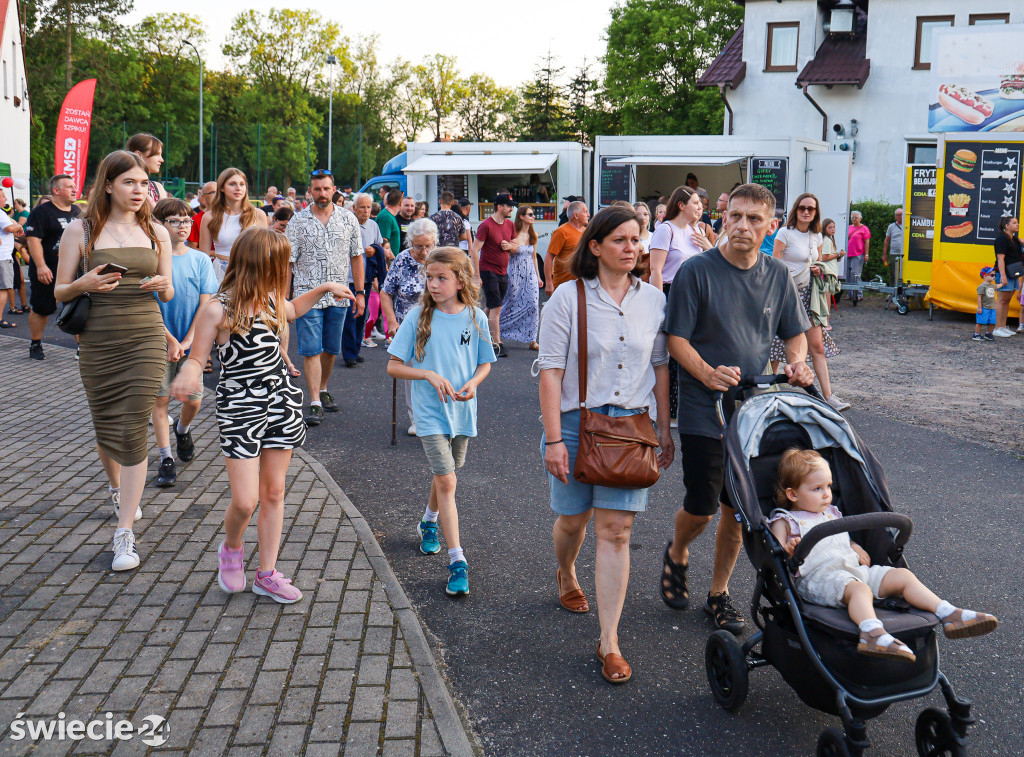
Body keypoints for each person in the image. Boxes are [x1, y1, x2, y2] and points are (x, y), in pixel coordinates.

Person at [170, 227, 354, 603]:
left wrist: (324, 289)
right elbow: (197, 359)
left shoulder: (272, 299)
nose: (286, 267)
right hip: (240, 406)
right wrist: (188, 376)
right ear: (260, 263)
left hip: (280, 401)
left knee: (274, 491)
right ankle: (232, 547)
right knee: (245, 500)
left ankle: (267, 574)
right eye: (280, 262)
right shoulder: (218, 308)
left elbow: (293, 309)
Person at [662, 183, 814, 635]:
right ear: (723, 220)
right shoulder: (696, 272)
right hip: (703, 404)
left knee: (739, 508)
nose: (743, 226)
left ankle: (718, 594)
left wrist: (798, 361)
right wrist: (707, 373)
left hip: (754, 407)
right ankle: (677, 549)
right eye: (736, 217)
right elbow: (676, 339)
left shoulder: (777, 274)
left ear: (771, 226)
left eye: (754, 219)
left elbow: (795, 333)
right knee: (704, 505)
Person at [538, 205, 674, 684]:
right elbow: (551, 371)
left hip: (631, 428)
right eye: (620, 240)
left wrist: (664, 427)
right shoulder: (565, 299)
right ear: (594, 246)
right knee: (572, 520)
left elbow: (660, 366)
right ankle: (565, 571)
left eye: (636, 240)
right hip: (576, 426)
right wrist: (554, 439)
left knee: (616, 531)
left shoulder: (654, 300)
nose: (631, 248)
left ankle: (609, 640)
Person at [54, 150, 175, 572]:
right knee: (106, 422)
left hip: (144, 335)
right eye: (130, 183)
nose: (139, 191)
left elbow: (169, 293)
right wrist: (83, 282)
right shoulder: (80, 230)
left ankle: (124, 533)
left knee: (131, 425)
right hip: (98, 339)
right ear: (108, 185)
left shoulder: (157, 231)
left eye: (143, 183)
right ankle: (116, 488)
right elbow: (60, 292)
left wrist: (162, 283)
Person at [769, 449, 997, 662]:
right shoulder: (785, 521)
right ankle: (872, 633)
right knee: (860, 590)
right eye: (817, 489)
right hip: (819, 581)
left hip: (853, 571)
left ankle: (949, 614)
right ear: (792, 494)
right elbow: (774, 552)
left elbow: (841, 539)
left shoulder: (831, 513)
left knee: (901, 576)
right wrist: (790, 547)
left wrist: (855, 547)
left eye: (828, 486)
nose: (827, 494)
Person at [387, 247, 496, 597]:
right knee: (447, 481)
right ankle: (457, 562)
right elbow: (393, 365)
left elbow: (485, 363)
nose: (433, 284)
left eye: (441, 278)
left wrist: (473, 384)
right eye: (429, 277)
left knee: (446, 474)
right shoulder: (419, 316)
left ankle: (428, 522)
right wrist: (427, 374)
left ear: (460, 280)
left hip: (462, 411)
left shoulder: (476, 317)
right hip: (430, 414)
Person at [286, 169, 365, 426]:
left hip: (340, 295)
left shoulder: (348, 219)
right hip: (306, 296)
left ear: (334, 190)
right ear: (310, 191)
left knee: (331, 348)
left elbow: (356, 257)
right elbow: (288, 263)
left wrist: (361, 293)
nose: (321, 194)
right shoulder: (297, 222)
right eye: (317, 189)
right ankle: (315, 402)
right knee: (311, 349)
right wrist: (283, 298)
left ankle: (323, 388)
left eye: (326, 189)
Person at [150, 198, 219, 487]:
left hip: (190, 342)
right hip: (158, 340)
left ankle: (183, 429)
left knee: (194, 399)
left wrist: (188, 339)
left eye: (186, 220)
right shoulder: (152, 260)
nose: (182, 226)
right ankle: (166, 458)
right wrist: (170, 340)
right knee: (161, 399)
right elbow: (148, 305)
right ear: (159, 226)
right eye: (174, 221)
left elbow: (206, 302)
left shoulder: (200, 259)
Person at [769, 193, 847, 412]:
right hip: (786, 294)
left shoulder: (817, 236)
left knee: (817, 347)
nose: (806, 211)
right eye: (802, 207)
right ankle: (768, 396)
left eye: (810, 209)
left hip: (808, 295)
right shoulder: (785, 233)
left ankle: (828, 396)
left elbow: (820, 263)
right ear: (796, 209)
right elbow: (775, 265)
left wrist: (817, 269)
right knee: (776, 349)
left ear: (816, 213)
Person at [649, 185, 715, 425]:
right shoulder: (666, 230)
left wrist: (709, 247)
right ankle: (668, 411)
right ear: (681, 205)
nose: (700, 207)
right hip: (670, 292)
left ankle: (685, 407)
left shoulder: (696, 230)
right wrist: (658, 305)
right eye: (696, 203)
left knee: (691, 351)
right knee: (668, 355)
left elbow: (710, 265)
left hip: (694, 295)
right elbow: (655, 270)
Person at [24, 174, 80, 360]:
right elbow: (33, 241)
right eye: (69, 187)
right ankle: (36, 344)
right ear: (56, 191)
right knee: (42, 308)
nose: (74, 189)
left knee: (77, 307)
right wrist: (41, 266)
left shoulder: (77, 212)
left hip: (72, 270)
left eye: (74, 186)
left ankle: (82, 347)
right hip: (47, 270)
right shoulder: (42, 213)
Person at [199, 168, 268, 282]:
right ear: (221, 187)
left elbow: (264, 254)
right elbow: (204, 256)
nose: (238, 188)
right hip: (220, 275)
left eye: (242, 184)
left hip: (251, 275)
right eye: (232, 184)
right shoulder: (209, 217)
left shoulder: (258, 215)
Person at [470, 193, 518, 357]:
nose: (512, 208)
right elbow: (474, 250)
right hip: (488, 270)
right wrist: (476, 276)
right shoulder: (486, 226)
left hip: (503, 271)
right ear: (499, 207)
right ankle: (496, 343)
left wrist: (509, 246)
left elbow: (516, 246)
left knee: (491, 306)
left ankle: (475, 330)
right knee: (496, 307)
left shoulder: (510, 225)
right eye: (509, 205)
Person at [343, 193, 386, 364]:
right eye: (362, 207)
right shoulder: (347, 224)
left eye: (368, 207)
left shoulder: (373, 225)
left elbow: (379, 246)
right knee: (350, 315)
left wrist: (375, 250)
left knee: (362, 314)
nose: (366, 211)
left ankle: (355, 348)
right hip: (349, 278)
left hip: (367, 277)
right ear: (354, 208)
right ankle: (348, 354)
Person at [500, 204, 541, 350]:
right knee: (511, 303)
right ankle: (494, 328)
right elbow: (507, 253)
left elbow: (534, 257)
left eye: (533, 214)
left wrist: (538, 276)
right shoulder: (514, 234)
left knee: (534, 304)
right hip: (515, 272)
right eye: (530, 214)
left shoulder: (533, 235)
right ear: (522, 217)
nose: (533, 216)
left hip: (530, 272)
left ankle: (532, 339)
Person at [544, 201, 590, 296]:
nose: (588, 215)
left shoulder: (586, 232)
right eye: (585, 212)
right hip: (562, 286)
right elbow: (549, 257)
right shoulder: (561, 232)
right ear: (576, 215)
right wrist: (548, 282)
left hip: (581, 285)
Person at [993, 216, 1022, 337]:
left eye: (1018, 223)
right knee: (1002, 299)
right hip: (1004, 272)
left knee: (1007, 300)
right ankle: (997, 328)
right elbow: (1000, 258)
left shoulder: (1014, 239)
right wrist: (1003, 276)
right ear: (1007, 226)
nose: (1018, 224)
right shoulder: (1001, 239)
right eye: (1014, 223)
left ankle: (1003, 326)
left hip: (1013, 272)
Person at [0, 190, 25, 327]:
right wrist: (19, 226)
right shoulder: (0, 213)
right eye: (3, 196)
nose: (5, 198)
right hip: (3, 256)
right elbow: (9, 228)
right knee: (3, 288)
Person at [126, 133, 168, 208]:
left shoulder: (158, 188)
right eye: (156, 154)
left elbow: (165, 217)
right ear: (138, 155)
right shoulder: (121, 185)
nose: (161, 160)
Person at [846, 210, 870, 302]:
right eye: (852, 217)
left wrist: (866, 254)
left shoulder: (864, 228)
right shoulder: (848, 227)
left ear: (860, 218)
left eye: (856, 217)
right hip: (848, 253)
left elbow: (867, 241)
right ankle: (849, 294)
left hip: (858, 253)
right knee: (847, 274)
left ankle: (858, 294)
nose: (854, 219)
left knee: (855, 274)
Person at [187, 181, 218, 248]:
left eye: (219, 192)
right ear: (203, 197)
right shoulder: (196, 220)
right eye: (212, 193)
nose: (217, 195)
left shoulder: (230, 216)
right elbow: (192, 249)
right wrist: (216, 254)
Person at [974, 267, 998, 342]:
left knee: (992, 322)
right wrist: (980, 307)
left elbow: (998, 286)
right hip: (984, 307)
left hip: (992, 307)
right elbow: (979, 297)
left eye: (995, 275)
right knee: (980, 321)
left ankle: (988, 333)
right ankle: (976, 334)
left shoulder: (992, 285)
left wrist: (1003, 283)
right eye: (992, 275)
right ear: (985, 276)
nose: (994, 277)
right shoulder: (981, 286)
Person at [377, 189, 403, 259]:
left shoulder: (389, 216)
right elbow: (383, 242)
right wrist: (393, 260)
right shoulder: (386, 217)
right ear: (400, 203)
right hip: (388, 262)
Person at [882, 208, 903, 285]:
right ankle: (893, 291)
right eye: (899, 215)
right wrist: (884, 254)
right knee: (893, 273)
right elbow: (887, 240)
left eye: (902, 215)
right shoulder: (891, 226)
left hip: (905, 254)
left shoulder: (907, 225)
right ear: (895, 216)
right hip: (894, 253)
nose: (901, 217)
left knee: (904, 274)